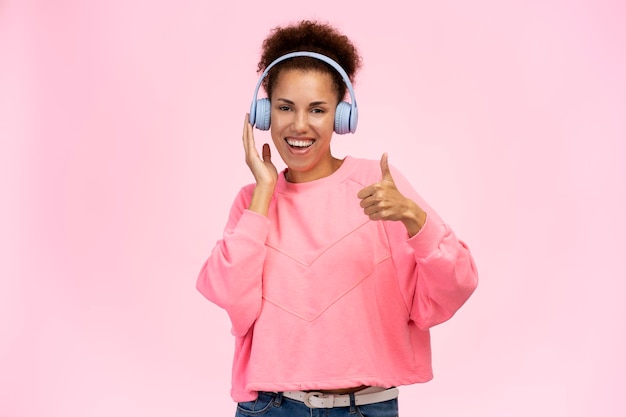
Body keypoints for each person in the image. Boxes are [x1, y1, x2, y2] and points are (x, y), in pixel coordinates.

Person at [196, 20, 478, 417]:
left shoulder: (380, 187)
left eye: (317, 109)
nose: (299, 125)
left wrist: (416, 220)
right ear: (263, 113)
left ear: (341, 117)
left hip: (363, 408)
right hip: (270, 407)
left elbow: (453, 289)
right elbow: (230, 297)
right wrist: (264, 190)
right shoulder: (252, 202)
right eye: (284, 107)